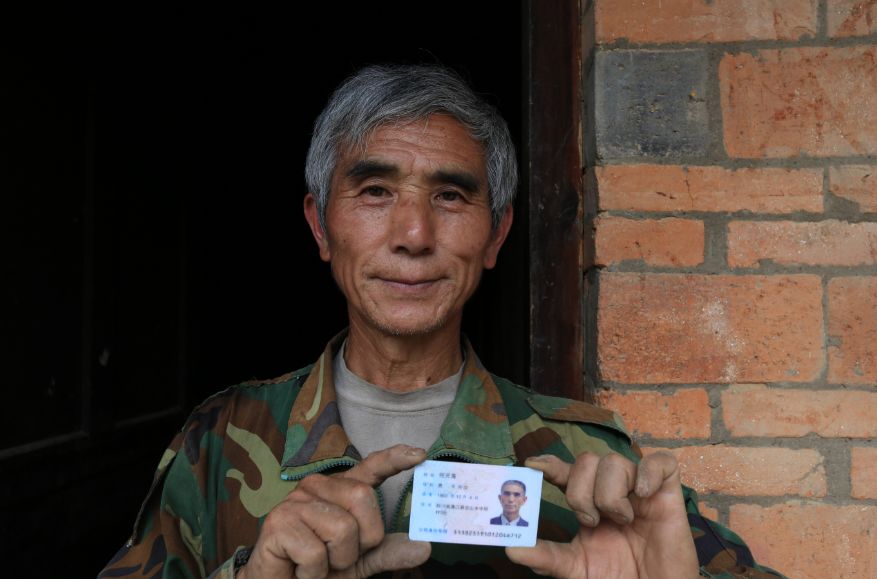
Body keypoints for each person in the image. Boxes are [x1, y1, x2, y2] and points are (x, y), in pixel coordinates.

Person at [99, 64, 784, 579]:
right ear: (319, 225)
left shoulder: (584, 460)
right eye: (374, 191)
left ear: (494, 236)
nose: (414, 233)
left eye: (450, 195)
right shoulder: (221, 441)